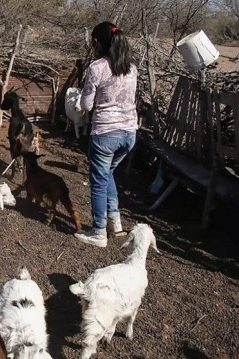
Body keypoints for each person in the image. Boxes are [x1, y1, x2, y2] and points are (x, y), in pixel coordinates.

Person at [74, 21, 138, 247]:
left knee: (99, 181)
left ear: (98, 42)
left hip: (105, 133)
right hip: (129, 133)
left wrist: (83, 102)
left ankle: (99, 232)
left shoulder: (97, 67)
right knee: (108, 174)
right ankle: (116, 223)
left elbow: (87, 104)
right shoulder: (131, 68)